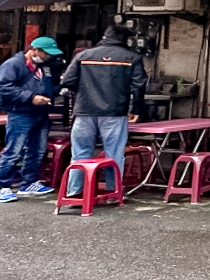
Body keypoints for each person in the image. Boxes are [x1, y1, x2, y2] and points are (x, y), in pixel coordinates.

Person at [60, 25, 147, 197]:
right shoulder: (131, 57)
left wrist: (85, 92)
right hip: (114, 112)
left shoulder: (83, 55)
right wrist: (136, 108)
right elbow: (139, 85)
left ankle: (74, 193)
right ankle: (113, 193)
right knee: (114, 154)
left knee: (79, 154)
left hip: (84, 111)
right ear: (125, 40)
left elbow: (68, 80)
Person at [0, 36, 64, 203]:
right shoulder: (13, 64)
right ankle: (2, 187)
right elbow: (3, 87)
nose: (48, 57)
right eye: (46, 53)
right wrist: (30, 97)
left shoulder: (45, 67)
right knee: (13, 151)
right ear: (35, 50)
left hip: (41, 113)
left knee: (37, 150)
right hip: (20, 113)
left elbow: (50, 86)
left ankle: (29, 182)